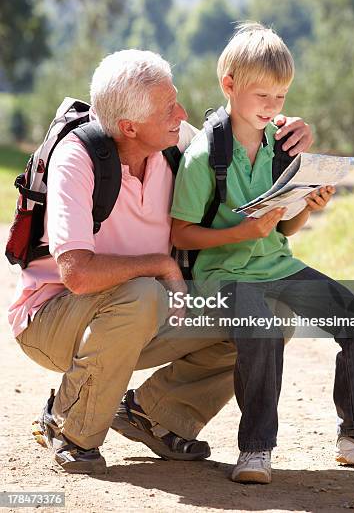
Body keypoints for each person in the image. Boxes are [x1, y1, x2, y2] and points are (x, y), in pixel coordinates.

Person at [8, 48, 313, 474]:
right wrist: (161, 264)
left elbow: (238, 129)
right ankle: (70, 427)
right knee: (142, 292)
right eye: (169, 107)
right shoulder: (76, 159)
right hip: (53, 320)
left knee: (267, 314)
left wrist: (288, 130)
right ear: (129, 126)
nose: (182, 112)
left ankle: (156, 416)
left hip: (149, 308)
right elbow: (76, 274)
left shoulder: (176, 144)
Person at [170, 22, 354, 484]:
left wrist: (308, 207)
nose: (272, 107)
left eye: (280, 97)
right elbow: (181, 234)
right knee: (262, 329)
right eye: (262, 95)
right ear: (229, 85)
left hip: (276, 264)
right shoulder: (204, 157)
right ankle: (256, 450)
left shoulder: (280, 146)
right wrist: (243, 229)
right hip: (222, 276)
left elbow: (286, 227)